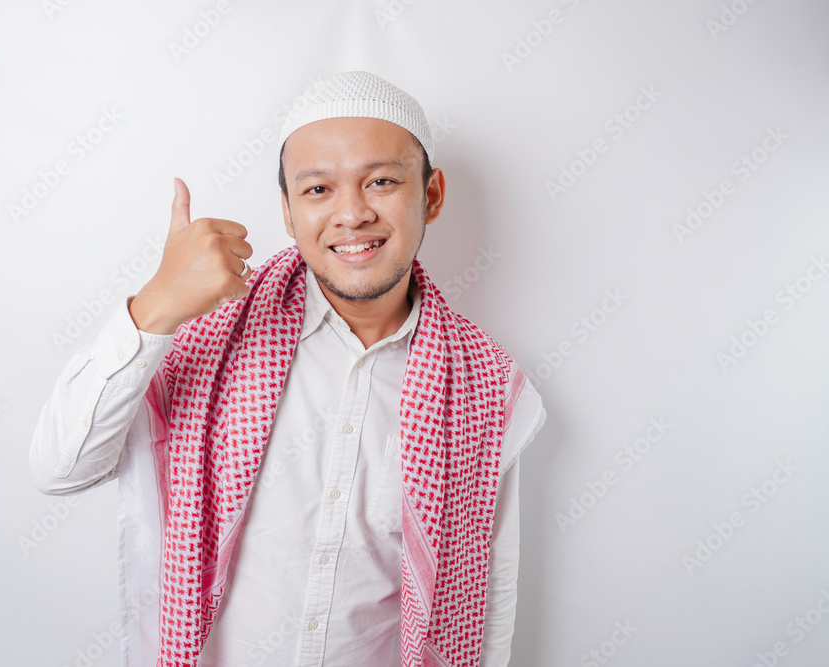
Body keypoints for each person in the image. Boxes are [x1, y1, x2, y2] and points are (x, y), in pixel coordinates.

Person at [30, 70, 545, 667]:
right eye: (318, 189)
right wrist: (155, 307)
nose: (352, 214)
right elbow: (60, 469)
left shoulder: (485, 387)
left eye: (381, 181)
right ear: (288, 211)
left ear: (430, 195)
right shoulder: (205, 328)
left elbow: (487, 594)